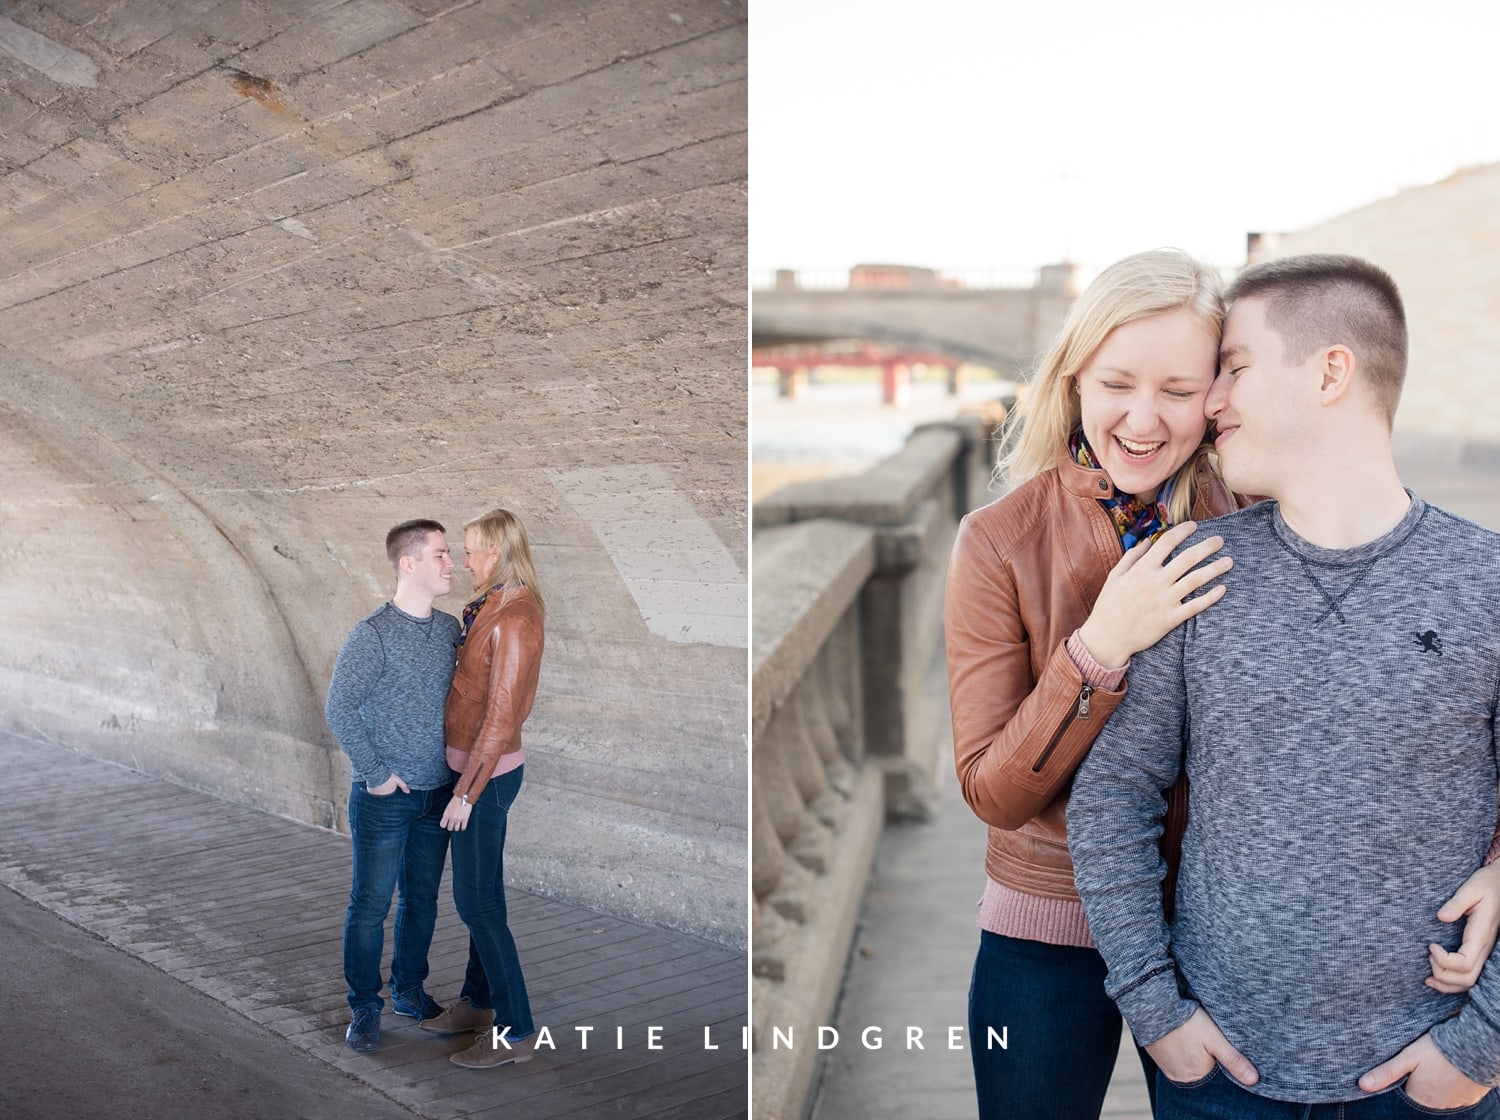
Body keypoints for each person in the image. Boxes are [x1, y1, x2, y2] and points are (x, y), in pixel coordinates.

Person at [1067, 254, 1500, 1117]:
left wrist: (1480, 1045)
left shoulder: (1486, 582)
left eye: (1235, 369)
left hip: (1431, 1084)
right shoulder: (1190, 572)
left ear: (1331, 371)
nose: (1212, 403)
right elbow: (1113, 795)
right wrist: (1157, 1014)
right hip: (1220, 1077)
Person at [945, 248, 1241, 1119]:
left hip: (1214, 931)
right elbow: (992, 790)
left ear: (1217, 393)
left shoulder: (1258, 521)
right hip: (1046, 928)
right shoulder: (998, 540)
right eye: (1116, 383)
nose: (1143, 419)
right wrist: (1099, 646)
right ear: (1073, 380)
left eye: (1178, 391)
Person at [325, 519, 461, 1053]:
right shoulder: (372, 634)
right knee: (371, 905)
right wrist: (377, 775)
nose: (452, 564)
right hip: (386, 798)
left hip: (437, 792)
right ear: (410, 564)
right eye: (442, 555)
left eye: (451, 555)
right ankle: (364, 1006)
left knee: (422, 900)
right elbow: (340, 708)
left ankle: (410, 990)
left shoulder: (451, 629)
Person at [419, 507, 546, 1070]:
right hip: (470, 771)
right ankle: (477, 1004)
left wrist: (466, 793)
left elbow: (500, 717)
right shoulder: (491, 605)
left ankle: (517, 1031)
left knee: (479, 904)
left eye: (470, 550)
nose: (464, 559)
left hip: (486, 780)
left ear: (494, 553)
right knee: (480, 898)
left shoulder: (515, 618)